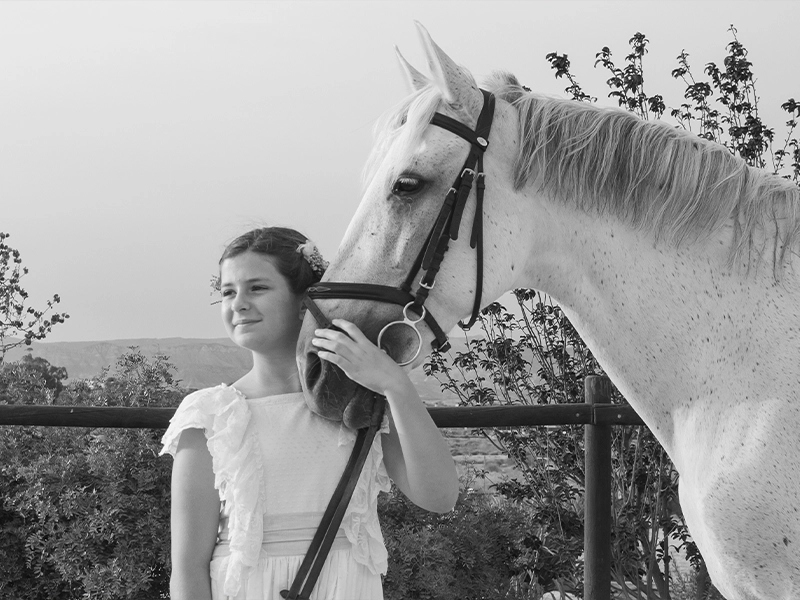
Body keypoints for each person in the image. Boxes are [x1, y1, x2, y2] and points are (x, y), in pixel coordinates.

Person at [160, 226, 459, 600]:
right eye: (228, 292)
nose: (238, 304)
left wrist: (394, 384)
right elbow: (188, 567)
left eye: (257, 288)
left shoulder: (362, 400)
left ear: (306, 301)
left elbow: (440, 497)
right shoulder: (211, 413)